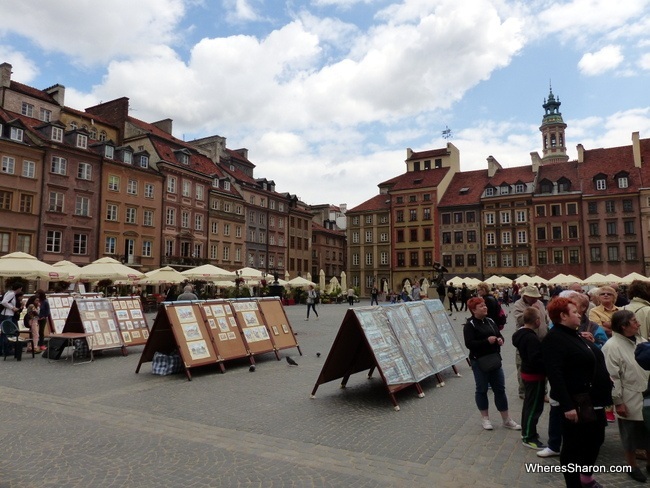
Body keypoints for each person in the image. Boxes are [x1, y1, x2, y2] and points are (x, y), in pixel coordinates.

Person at [542, 296, 613, 488]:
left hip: (592, 399)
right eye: (574, 312)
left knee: (596, 439)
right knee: (573, 447)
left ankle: (586, 477)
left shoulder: (574, 334)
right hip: (577, 402)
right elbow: (555, 375)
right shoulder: (554, 338)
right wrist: (567, 405)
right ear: (563, 316)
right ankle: (574, 483)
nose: (579, 314)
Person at [602, 310, 650, 483]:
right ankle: (632, 466)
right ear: (624, 326)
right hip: (628, 396)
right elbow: (612, 377)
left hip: (646, 394)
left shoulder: (641, 340)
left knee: (648, 432)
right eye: (634, 321)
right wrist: (618, 402)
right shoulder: (611, 346)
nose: (638, 323)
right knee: (630, 436)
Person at [463, 297, 521, 432]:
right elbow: (469, 344)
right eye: (481, 306)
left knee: (500, 389)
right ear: (473, 310)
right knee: (482, 389)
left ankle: (506, 419)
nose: (485, 308)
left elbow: (499, 334)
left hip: (494, 359)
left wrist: (500, 340)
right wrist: (486, 341)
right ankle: (485, 418)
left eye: (485, 305)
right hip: (480, 361)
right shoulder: (470, 325)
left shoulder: (490, 321)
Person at [512, 307, 546, 450]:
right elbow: (535, 360)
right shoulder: (531, 338)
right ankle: (528, 436)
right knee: (534, 407)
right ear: (537, 321)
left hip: (526, 373)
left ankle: (527, 430)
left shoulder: (519, 333)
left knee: (528, 404)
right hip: (534, 375)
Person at [512, 285, 551, 398]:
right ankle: (524, 391)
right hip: (527, 341)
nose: (535, 299)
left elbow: (546, 319)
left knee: (543, 366)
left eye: (536, 297)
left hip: (542, 340)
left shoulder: (539, 303)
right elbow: (520, 321)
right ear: (526, 296)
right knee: (522, 365)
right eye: (532, 297)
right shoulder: (518, 305)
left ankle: (543, 392)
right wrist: (530, 311)